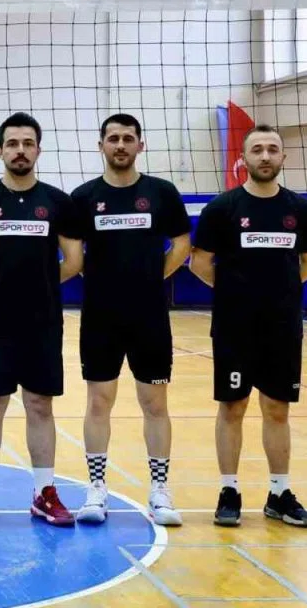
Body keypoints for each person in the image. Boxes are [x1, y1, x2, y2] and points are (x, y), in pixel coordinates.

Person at [0, 111, 83, 527]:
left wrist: (40, 284)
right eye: (12, 144)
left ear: (38, 150)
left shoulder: (58, 202)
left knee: (40, 404)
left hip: (43, 321)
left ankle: (45, 492)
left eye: (27, 143)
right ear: (0, 150)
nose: (20, 150)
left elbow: (74, 260)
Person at [190, 124, 307, 528]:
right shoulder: (222, 208)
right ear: (243, 158)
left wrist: (279, 293)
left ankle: (279, 494)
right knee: (233, 406)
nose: (265, 156)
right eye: (257, 149)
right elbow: (200, 263)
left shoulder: (300, 209)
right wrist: (236, 292)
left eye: (272, 149)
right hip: (234, 325)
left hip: (282, 326)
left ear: (283, 157)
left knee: (277, 408)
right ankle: (228, 491)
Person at [70, 113, 191, 526]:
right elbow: (74, 255)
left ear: (141, 144)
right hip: (100, 315)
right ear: (101, 145)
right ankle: (96, 489)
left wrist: (152, 278)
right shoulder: (84, 197)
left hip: (149, 315)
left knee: (154, 403)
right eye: (113, 138)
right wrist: (102, 280)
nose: (120, 145)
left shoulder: (161, 193)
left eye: (127, 138)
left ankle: (159, 490)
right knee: (98, 401)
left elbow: (181, 244)